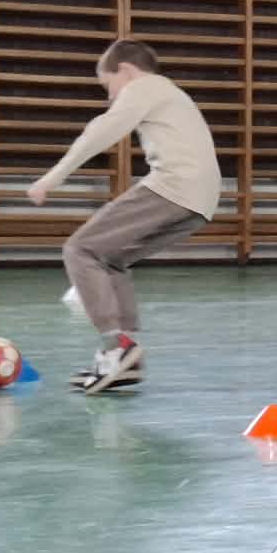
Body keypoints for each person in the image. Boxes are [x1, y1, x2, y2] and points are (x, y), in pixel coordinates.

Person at [28, 40, 219, 394]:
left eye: (108, 85)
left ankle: (116, 347)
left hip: (175, 187)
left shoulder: (145, 86)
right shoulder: (169, 92)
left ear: (127, 71)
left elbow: (100, 132)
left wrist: (51, 179)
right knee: (110, 259)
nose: (110, 96)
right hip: (201, 201)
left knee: (80, 250)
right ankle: (127, 357)